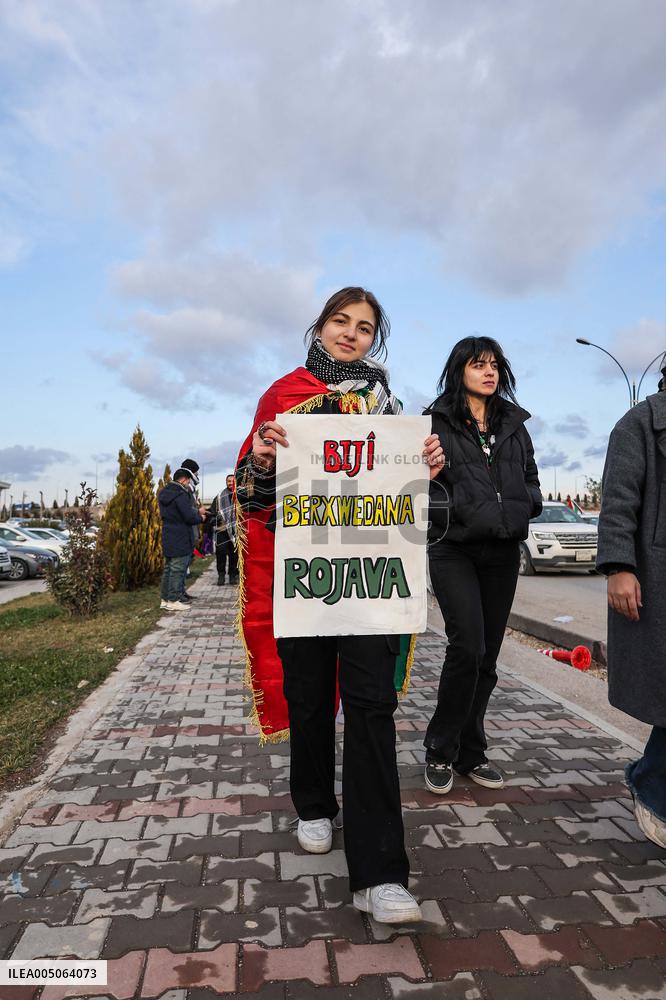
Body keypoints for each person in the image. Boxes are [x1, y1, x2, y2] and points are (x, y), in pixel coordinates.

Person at [235, 287, 443, 924]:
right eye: (340, 322)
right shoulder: (283, 397)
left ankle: (382, 874)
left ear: (374, 339)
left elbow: (410, 506)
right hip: (304, 583)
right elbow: (247, 499)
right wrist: (266, 461)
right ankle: (316, 805)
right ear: (320, 326)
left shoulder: (390, 406)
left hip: (372, 586)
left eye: (364, 327)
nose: (351, 334)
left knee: (372, 708)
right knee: (309, 699)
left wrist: (424, 468)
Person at [423, 337, 542, 795]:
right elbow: (420, 480)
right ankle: (439, 747)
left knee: (488, 657)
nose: (489, 373)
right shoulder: (436, 420)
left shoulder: (514, 422)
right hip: (454, 547)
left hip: (502, 550)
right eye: (478, 365)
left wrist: (523, 506)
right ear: (460, 370)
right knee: (466, 647)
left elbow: (530, 476)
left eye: (494, 365)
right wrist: (452, 509)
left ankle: (471, 751)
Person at [596, 364, 666, 848]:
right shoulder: (638, 424)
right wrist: (620, 566)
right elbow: (618, 501)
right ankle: (651, 782)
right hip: (657, 578)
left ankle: (650, 777)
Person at [158, 467, 207, 612]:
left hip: (168, 534)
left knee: (169, 568)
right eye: (189, 481)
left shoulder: (165, 492)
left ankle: (165, 599)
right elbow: (188, 516)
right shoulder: (180, 494)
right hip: (180, 535)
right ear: (184, 479)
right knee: (178, 569)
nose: (189, 484)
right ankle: (173, 599)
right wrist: (200, 517)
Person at [179, 457, 203, 601]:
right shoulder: (186, 488)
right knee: (181, 565)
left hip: (190, 529)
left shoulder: (190, 488)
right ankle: (179, 593)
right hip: (185, 531)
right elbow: (188, 510)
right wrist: (198, 512)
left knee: (185, 563)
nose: (198, 476)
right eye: (197, 473)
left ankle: (182, 591)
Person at [209, 474, 238, 585]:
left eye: (232, 481)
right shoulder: (219, 496)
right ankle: (221, 575)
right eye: (228, 481)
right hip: (222, 529)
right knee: (220, 553)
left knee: (234, 554)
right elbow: (212, 512)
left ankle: (232, 576)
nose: (230, 483)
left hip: (236, 530)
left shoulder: (241, 495)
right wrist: (218, 519)